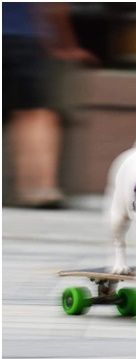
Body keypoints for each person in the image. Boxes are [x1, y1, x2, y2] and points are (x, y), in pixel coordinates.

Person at [3, 3, 97, 208]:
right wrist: (65, 45)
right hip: (22, 37)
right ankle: (39, 188)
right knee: (34, 114)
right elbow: (54, 6)